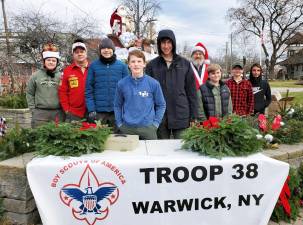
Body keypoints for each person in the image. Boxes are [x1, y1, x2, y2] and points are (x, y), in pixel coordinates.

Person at [145, 29, 198, 139]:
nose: (166, 46)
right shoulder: (152, 65)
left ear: (173, 43)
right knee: (161, 151)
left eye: (169, 42)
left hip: (181, 114)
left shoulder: (185, 64)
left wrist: (194, 116)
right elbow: (147, 93)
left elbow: (191, 92)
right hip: (159, 117)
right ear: (159, 45)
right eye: (163, 42)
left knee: (182, 148)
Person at [114, 50, 166, 139]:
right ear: (129, 65)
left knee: (150, 152)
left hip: (148, 129)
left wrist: (155, 124)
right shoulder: (121, 84)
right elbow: (117, 105)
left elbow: (161, 105)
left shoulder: (153, 83)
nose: (136, 64)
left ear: (144, 64)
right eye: (133, 61)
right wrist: (119, 123)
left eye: (139, 61)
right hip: (127, 128)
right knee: (128, 153)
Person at [85, 37, 129, 127]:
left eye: (109, 48)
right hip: (99, 112)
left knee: (117, 139)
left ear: (113, 49)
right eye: (103, 48)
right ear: (100, 50)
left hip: (117, 111)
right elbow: (89, 89)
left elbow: (127, 89)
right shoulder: (93, 66)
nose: (106, 50)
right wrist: (91, 109)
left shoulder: (122, 66)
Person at [26, 43, 64, 128]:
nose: (51, 62)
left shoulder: (62, 76)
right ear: (44, 61)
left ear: (57, 62)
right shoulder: (35, 76)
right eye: (48, 60)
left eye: (53, 60)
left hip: (58, 114)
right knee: (39, 139)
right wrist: (33, 110)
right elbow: (29, 93)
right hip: (40, 114)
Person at [58, 39, 89, 122]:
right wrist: (67, 109)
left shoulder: (93, 69)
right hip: (73, 113)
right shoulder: (67, 71)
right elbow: (62, 92)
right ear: (73, 55)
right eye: (77, 52)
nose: (79, 54)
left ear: (86, 53)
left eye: (82, 51)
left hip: (91, 112)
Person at [190, 42, 210, 119]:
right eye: (195, 53)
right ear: (192, 55)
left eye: (200, 54)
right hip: (192, 101)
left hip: (207, 102)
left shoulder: (209, 68)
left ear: (203, 56)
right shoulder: (187, 68)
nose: (198, 56)